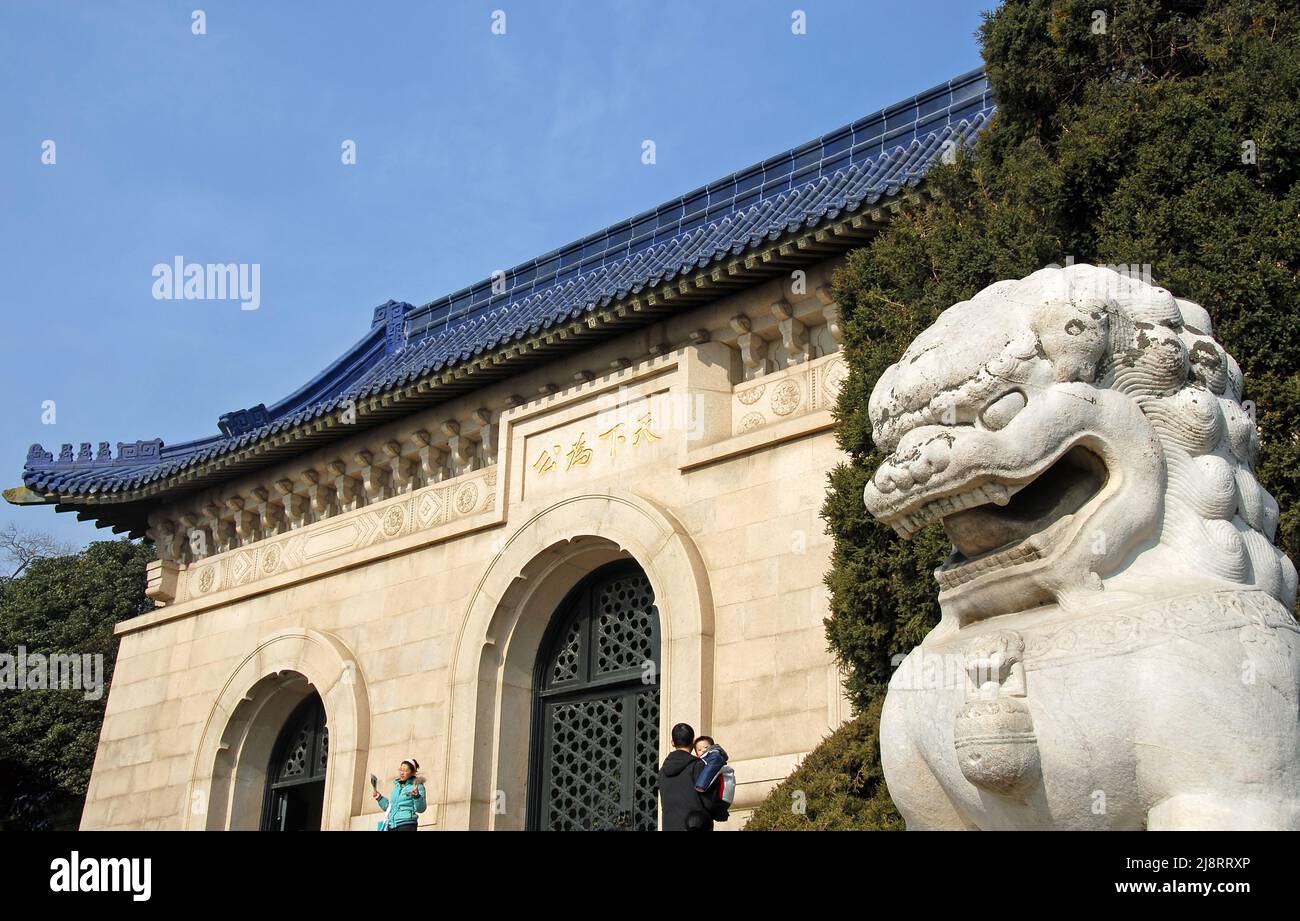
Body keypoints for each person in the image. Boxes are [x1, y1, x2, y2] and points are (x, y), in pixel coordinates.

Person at [656, 723, 721, 831]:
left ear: (673, 742)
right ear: (693, 742)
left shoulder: (662, 772)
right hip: (695, 826)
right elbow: (709, 801)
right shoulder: (698, 765)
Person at [372, 757, 426, 831]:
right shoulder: (396, 788)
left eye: (406, 770)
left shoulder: (418, 786)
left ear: (413, 773)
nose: (402, 773)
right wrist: (379, 798)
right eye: (401, 770)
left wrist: (416, 796)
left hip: (407, 824)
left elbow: (421, 808)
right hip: (392, 825)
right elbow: (390, 807)